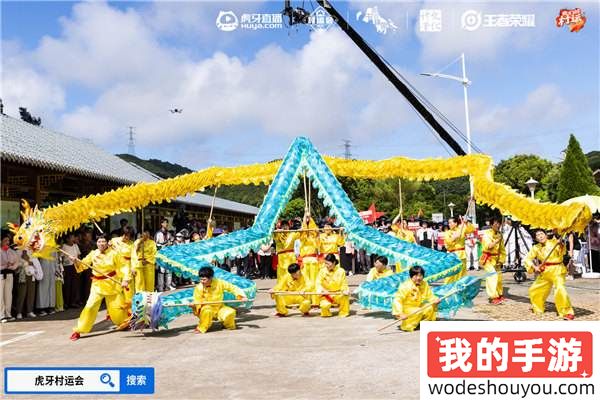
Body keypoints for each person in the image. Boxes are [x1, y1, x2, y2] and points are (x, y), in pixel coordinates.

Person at [69, 234, 130, 340]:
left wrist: (125, 280)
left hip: (112, 285)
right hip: (97, 286)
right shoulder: (93, 254)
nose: (101, 244)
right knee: (90, 307)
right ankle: (79, 330)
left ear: (107, 243)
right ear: (96, 243)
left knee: (118, 309)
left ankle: (125, 323)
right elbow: (83, 265)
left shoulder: (115, 254)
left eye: (103, 241)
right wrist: (75, 261)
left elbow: (124, 267)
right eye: (99, 242)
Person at [524, 230, 574, 320]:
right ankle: (538, 307)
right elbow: (527, 259)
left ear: (546, 235)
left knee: (560, 289)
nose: (540, 236)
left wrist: (561, 244)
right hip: (545, 272)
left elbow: (562, 252)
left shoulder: (554, 242)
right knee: (534, 290)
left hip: (557, 270)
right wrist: (534, 267)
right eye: (538, 235)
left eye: (541, 234)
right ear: (536, 238)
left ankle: (566, 312)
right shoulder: (535, 248)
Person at [191, 267, 247, 333]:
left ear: (211, 278)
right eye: (201, 279)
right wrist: (194, 305)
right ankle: (202, 327)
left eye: (204, 280)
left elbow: (233, 288)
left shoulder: (219, 283)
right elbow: (197, 300)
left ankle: (227, 325)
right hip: (206, 308)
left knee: (230, 312)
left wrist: (241, 296)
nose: (202, 282)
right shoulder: (199, 288)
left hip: (219, 307)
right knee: (207, 311)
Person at [392, 265, 440, 331]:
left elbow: (430, 295)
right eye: (416, 276)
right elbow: (397, 300)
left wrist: (435, 299)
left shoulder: (424, 284)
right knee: (417, 311)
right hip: (406, 308)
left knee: (430, 307)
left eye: (420, 275)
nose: (419, 278)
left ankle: (423, 324)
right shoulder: (405, 286)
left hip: (418, 306)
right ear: (411, 276)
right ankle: (407, 326)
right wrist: (400, 313)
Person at [479, 218, 507, 304]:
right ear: (491, 225)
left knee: (498, 277)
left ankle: (499, 294)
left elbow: (502, 249)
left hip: (496, 259)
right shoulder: (487, 234)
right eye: (495, 224)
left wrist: (502, 259)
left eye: (498, 224)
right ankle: (493, 296)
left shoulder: (500, 235)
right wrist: (497, 240)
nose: (497, 225)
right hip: (488, 258)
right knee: (492, 276)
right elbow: (489, 246)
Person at [316, 254, 350, 318]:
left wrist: (345, 290)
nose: (326, 265)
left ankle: (343, 312)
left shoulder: (341, 271)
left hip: (338, 293)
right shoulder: (322, 271)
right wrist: (322, 290)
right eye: (325, 263)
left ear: (334, 262)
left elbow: (343, 283)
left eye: (328, 264)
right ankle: (326, 313)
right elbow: (318, 283)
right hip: (326, 294)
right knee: (324, 305)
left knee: (345, 296)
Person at [443, 217, 474, 284]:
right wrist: (454, 237)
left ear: (456, 223)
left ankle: (460, 287)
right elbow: (448, 243)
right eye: (449, 223)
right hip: (452, 255)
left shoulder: (462, 229)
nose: (449, 224)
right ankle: (447, 287)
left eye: (451, 222)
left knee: (462, 273)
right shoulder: (447, 233)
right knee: (451, 272)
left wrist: (466, 222)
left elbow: (471, 230)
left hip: (462, 254)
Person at [110, 227, 135, 304]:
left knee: (128, 290)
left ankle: (130, 311)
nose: (127, 237)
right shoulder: (114, 240)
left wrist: (133, 268)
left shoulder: (132, 244)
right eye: (126, 235)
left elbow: (134, 258)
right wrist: (108, 246)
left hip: (127, 268)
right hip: (116, 267)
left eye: (129, 236)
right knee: (116, 290)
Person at [15, 249, 42, 319]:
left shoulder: (32, 251)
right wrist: (26, 262)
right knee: (21, 294)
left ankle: (30, 311)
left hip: (32, 274)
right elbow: (16, 263)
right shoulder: (18, 251)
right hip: (22, 274)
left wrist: (30, 262)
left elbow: (35, 263)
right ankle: (19, 312)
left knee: (31, 293)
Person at [1, 232, 19, 322]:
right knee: (0, 295)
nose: (7, 242)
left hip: (9, 274)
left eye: (8, 240)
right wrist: (4, 265)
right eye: (5, 241)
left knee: (8, 295)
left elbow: (16, 262)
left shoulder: (11, 251)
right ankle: (1, 315)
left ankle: (8, 314)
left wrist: (11, 266)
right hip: (1, 274)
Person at [61, 233, 81, 308]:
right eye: (71, 238)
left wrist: (79, 266)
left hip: (75, 266)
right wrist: (62, 269)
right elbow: (62, 258)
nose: (73, 239)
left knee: (74, 285)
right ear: (67, 239)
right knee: (67, 285)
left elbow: (78, 256)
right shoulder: (64, 247)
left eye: (73, 237)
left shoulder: (75, 246)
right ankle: (66, 303)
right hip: (67, 267)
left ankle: (73, 302)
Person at [37, 250, 58, 315]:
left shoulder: (53, 246)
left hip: (52, 267)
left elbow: (56, 258)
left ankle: (51, 306)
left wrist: (56, 269)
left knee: (51, 288)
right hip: (43, 267)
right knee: (43, 287)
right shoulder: (40, 244)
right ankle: (41, 308)